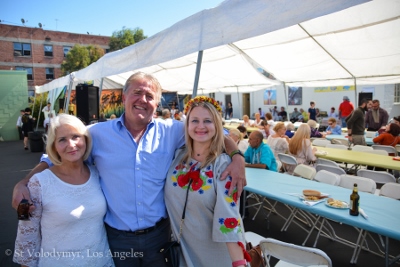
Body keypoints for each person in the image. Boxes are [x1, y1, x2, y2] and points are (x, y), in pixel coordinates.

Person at [12, 72, 245, 267]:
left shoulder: (172, 131)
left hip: (159, 238)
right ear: (124, 97)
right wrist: (25, 182)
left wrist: (237, 157)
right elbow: (55, 155)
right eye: (136, 92)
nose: (142, 99)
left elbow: (214, 131)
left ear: (157, 103)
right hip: (116, 239)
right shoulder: (97, 134)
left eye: (149, 95)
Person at [13, 114, 114, 267]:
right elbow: (25, 236)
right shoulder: (37, 183)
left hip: (101, 262)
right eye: (62, 140)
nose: (71, 144)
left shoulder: (98, 174)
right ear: (53, 146)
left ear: (86, 139)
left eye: (76, 137)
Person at [165, 97, 248, 267]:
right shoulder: (177, 158)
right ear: (187, 125)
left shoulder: (223, 165)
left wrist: (239, 263)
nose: (200, 126)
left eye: (207, 121)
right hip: (180, 253)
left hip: (214, 258)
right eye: (195, 120)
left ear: (217, 126)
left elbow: (229, 219)